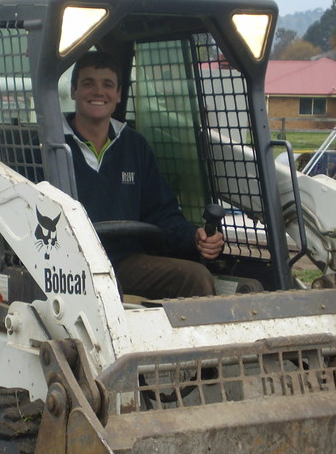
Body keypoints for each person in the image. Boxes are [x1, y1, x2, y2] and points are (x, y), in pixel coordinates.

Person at [63, 51, 224, 299]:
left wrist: (195, 237)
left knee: (195, 276)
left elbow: (160, 212)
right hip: (64, 267)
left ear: (118, 94)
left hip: (123, 262)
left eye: (107, 85)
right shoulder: (48, 146)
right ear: (73, 91)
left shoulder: (134, 146)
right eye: (88, 84)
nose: (98, 92)